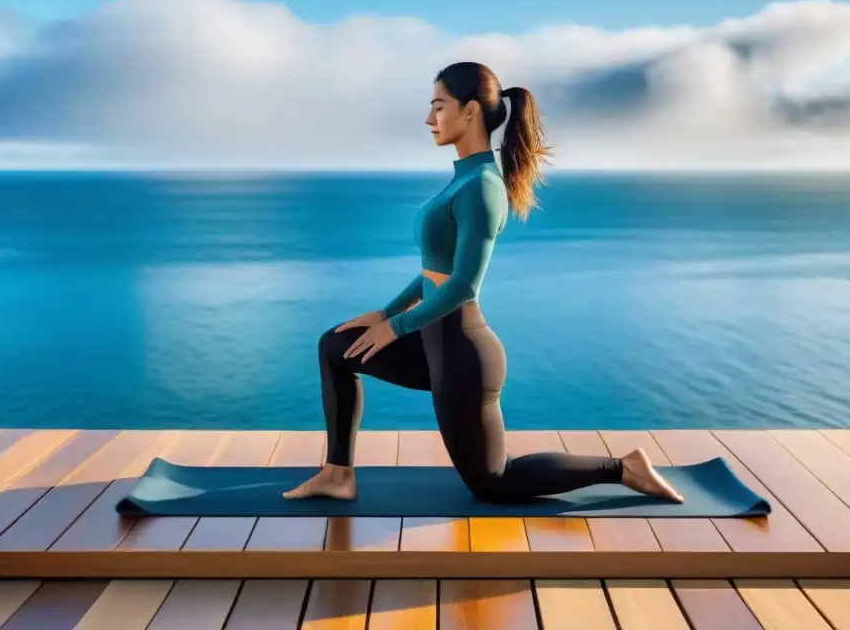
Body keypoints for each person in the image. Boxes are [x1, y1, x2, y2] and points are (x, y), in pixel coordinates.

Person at [283, 62, 683, 505]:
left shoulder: (482, 187)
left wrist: (393, 329)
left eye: (438, 106)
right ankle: (338, 474)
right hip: (431, 341)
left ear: (470, 111)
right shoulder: (463, 179)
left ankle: (623, 467)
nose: (428, 118)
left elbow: (463, 286)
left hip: (461, 352)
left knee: (494, 482)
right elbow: (435, 271)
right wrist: (385, 313)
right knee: (335, 348)